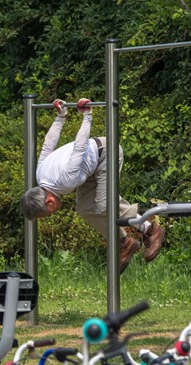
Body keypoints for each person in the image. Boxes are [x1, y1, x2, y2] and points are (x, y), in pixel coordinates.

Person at [20, 98, 164, 273]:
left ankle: (151, 230)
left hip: (106, 153)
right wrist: (60, 117)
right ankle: (125, 242)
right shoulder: (41, 175)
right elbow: (48, 145)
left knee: (104, 205)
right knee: (84, 209)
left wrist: (87, 116)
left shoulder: (65, 180)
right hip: (89, 168)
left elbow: (80, 146)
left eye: (48, 213)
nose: (52, 214)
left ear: (49, 202)